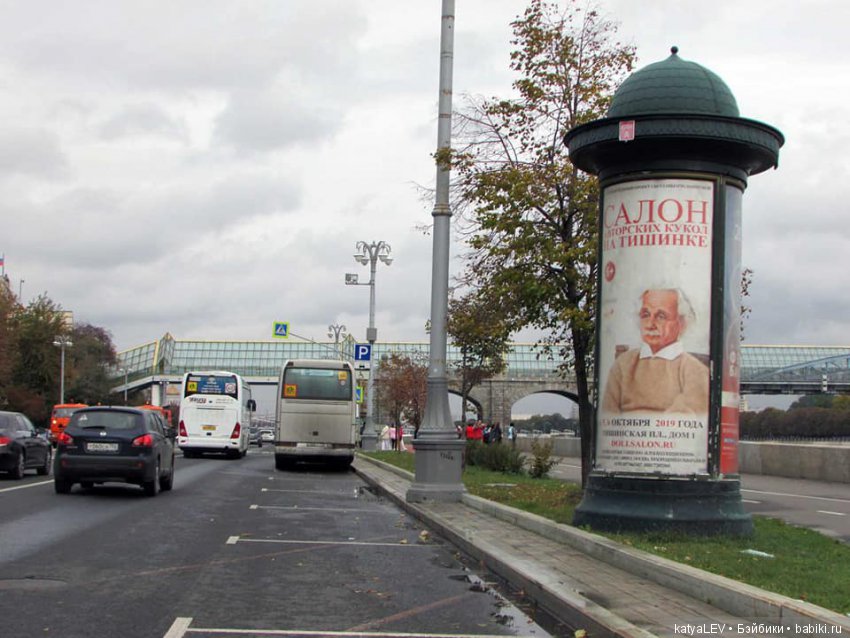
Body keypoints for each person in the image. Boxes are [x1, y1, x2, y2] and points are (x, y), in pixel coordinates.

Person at [601, 288, 709, 415]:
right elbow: (608, 416)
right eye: (645, 315)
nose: (650, 324)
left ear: (682, 323)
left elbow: (692, 420)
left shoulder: (694, 371)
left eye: (661, 316)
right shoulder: (623, 365)